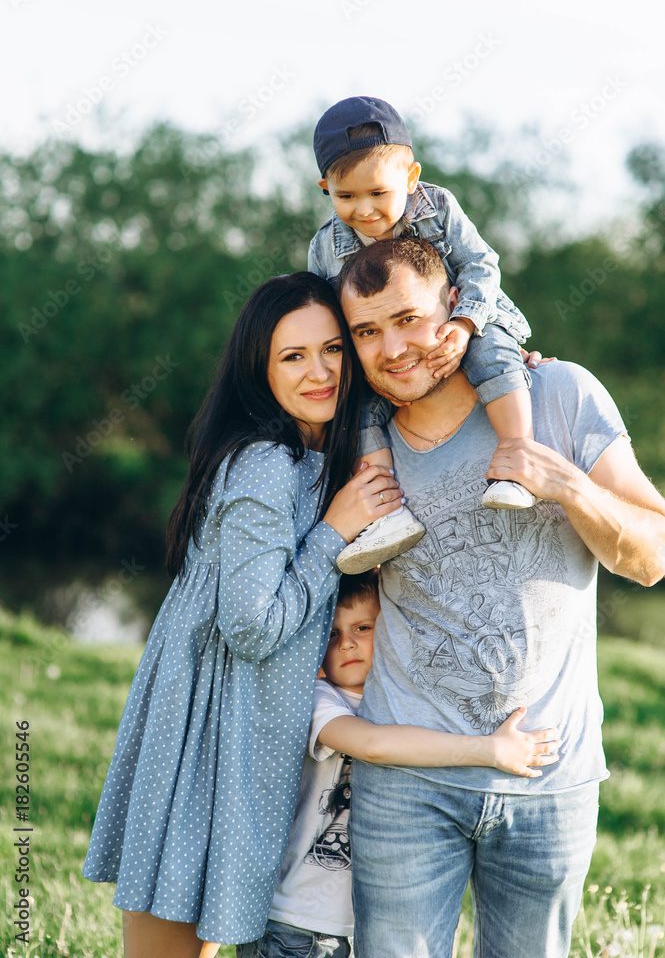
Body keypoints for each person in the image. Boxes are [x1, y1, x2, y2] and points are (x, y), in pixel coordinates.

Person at [336, 236, 665, 958]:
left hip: (551, 779)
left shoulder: (557, 393)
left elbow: (651, 558)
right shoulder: (358, 443)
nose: (391, 349)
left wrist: (569, 486)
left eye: (407, 319)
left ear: (456, 304)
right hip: (405, 781)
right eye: (366, 331)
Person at [82, 272, 406, 956]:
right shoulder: (265, 465)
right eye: (293, 357)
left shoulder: (322, 455)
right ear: (259, 370)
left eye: (333, 350)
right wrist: (334, 532)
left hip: (248, 730)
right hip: (208, 731)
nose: (319, 372)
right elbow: (251, 626)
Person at [223, 570, 559, 958]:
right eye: (332, 634)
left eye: (363, 627)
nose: (347, 643)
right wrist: (489, 750)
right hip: (300, 926)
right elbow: (373, 745)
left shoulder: (402, 705)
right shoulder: (319, 700)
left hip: (364, 924)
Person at [309, 96, 538, 575]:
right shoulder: (325, 248)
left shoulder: (439, 208)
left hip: (462, 317)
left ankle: (518, 460)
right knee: (359, 404)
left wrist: (466, 323)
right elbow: (328, 315)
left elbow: (481, 264)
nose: (365, 210)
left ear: (411, 179)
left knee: (492, 353)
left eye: (377, 192)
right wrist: (357, 365)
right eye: (346, 197)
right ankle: (386, 512)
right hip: (383, 350)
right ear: (325, 187)